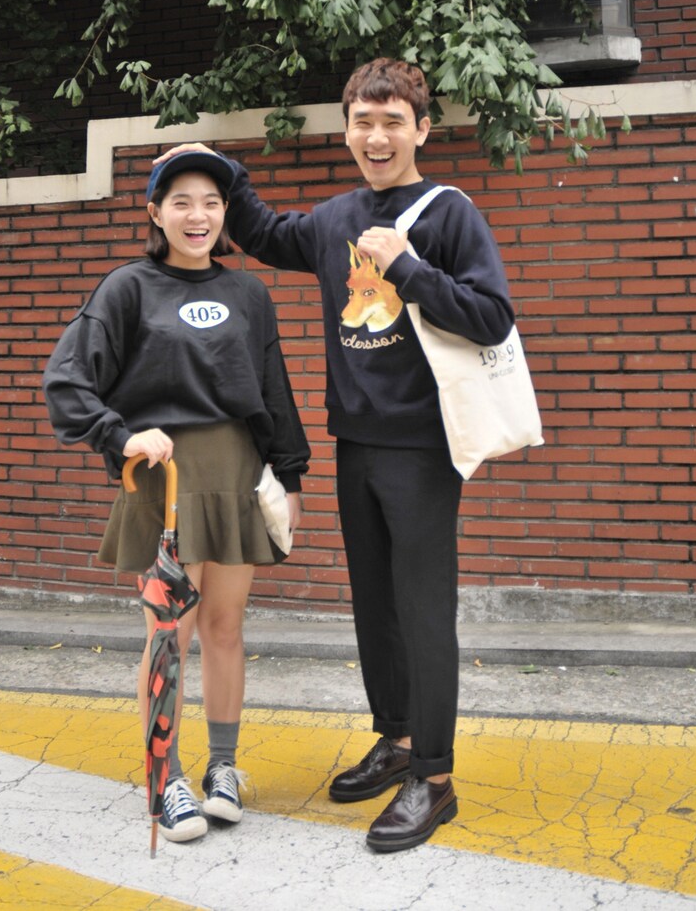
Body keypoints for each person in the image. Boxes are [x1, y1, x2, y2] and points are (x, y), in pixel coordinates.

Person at [154, 58, 514, 853]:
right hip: (356, 441)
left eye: (393, 122)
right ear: (346, 128)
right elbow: (261, 231)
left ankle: (435, 776)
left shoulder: (449, 214)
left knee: (423, 611)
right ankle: (397, 738)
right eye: (363, 122)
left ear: (422, 129)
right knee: (375, 607)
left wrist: (408, 270)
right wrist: (216, 168)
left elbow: (492, 316)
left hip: (424, 448)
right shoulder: (334, 218)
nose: (377, 137)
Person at [42, 150, 309, 844]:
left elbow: (274, 387)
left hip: (238, 473)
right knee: (170, 634)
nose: (198, 216)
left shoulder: (249, 293)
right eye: (182, 201)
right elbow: (67, 381)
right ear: (154, 213)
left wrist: (290, 476)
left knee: (225, 626)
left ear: (226, 214)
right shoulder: (126, 288)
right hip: (165, 481)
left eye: (212, 202)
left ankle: (223, 768)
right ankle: (168, 779)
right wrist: (121, 435)